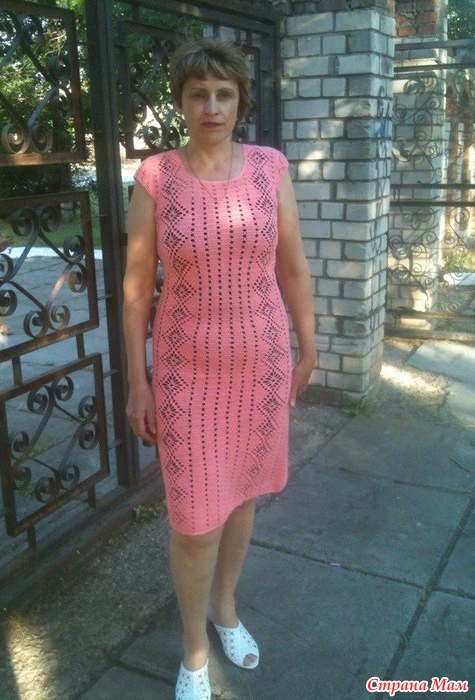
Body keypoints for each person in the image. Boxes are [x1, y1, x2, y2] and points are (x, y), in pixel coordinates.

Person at [122, 37, 316, 700]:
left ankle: (225, 609)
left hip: (261, 366)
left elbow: (292, 266)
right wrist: (138, 382)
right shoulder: (156, 178)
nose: (211, 106)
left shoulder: (268, 169)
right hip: (187, 375)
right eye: (198, 93)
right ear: (181, 102)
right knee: (195, 521)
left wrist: (309, 345)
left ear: (240, 102)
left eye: (224, 94)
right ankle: (195, 650)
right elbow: (135, 289)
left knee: (242, 500)